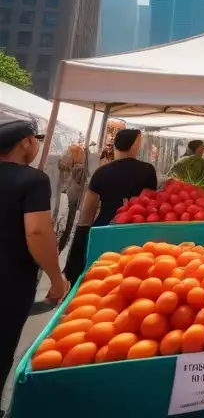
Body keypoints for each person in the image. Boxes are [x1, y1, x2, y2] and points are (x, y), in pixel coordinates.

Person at [0, 120, 68, 391]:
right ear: (26, 142)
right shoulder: (32, 179)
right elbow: (37, 233)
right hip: (9, 280)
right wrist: (56, 278)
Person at [64, 129, 157, 284]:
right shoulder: (147, 171)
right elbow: (150, 203)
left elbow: (87, 214)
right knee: (130, 279)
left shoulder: (101, 172)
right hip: (135, 230)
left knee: (100, 278)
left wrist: (80, 243)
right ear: (135, 145)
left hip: (104, 228)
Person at [58, 144, 87, 251]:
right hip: (72, 202)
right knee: (67, 229)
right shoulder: (79, 169)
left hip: (63, 201)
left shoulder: (64, 167)